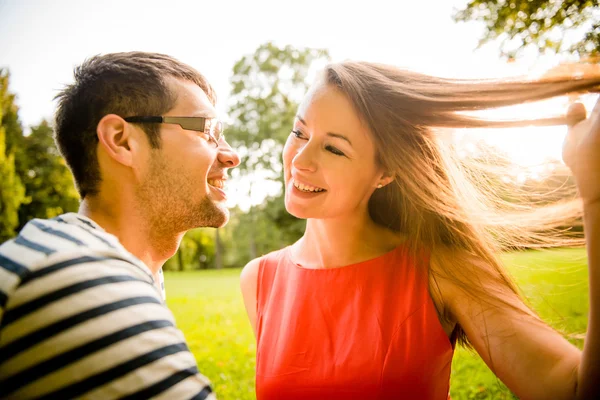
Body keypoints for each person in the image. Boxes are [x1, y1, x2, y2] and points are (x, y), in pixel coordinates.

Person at [240, 61, 600, 399]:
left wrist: (595, 190)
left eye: (334, 149)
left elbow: (572, 389)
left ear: (385, 173)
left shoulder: (442, 270)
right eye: (299, 132)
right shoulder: (259, 279)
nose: (300, 160)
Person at [0, 52, 240, 399]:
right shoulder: (77, 278)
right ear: (122, 140)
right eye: (208, 131)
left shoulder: (76, 256)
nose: (231, 155)